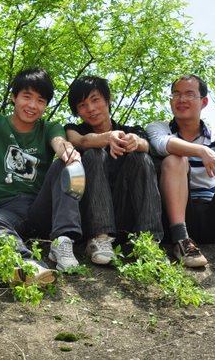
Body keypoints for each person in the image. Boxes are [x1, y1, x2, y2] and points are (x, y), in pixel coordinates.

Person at [0, 5, 83, 284]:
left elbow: (59, 141)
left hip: (40, 206)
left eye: (41, 100)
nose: (33, 105)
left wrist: (68, 153)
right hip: (6, 209)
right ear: (14, 97)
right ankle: (28, 264)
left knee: (66, 165)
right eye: (27, 97)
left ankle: (63, 241)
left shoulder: (48, 127)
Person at [146, 74, 215, 272]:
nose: (181, 99)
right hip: (175, 217)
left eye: (189, 94)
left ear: (204, 102)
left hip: (212, 217)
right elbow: (163, 144)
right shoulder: (158, 128)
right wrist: (201, 151)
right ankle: (181, 240)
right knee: (175, 159)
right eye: (176, 94)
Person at [65, 76, 164, 265]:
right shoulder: (73, 129)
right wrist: (107, 137)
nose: (91, 109)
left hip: (125, 210)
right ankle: (99, 238)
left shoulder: (130, 130)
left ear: (108, 98)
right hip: (90, 213)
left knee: (141, 157)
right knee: (93, 153)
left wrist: (136, 142)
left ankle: (149, 242)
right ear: (77, 111)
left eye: (95, 100)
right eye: (82, 105)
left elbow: (146, 145)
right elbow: (80, 141)